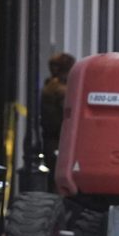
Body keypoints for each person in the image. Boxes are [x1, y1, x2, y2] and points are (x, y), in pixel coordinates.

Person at [41, 52, 75, 186]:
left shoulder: (49, 85)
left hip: (50, 137)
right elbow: (67, 114)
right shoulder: (62, 90)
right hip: (58, 139)